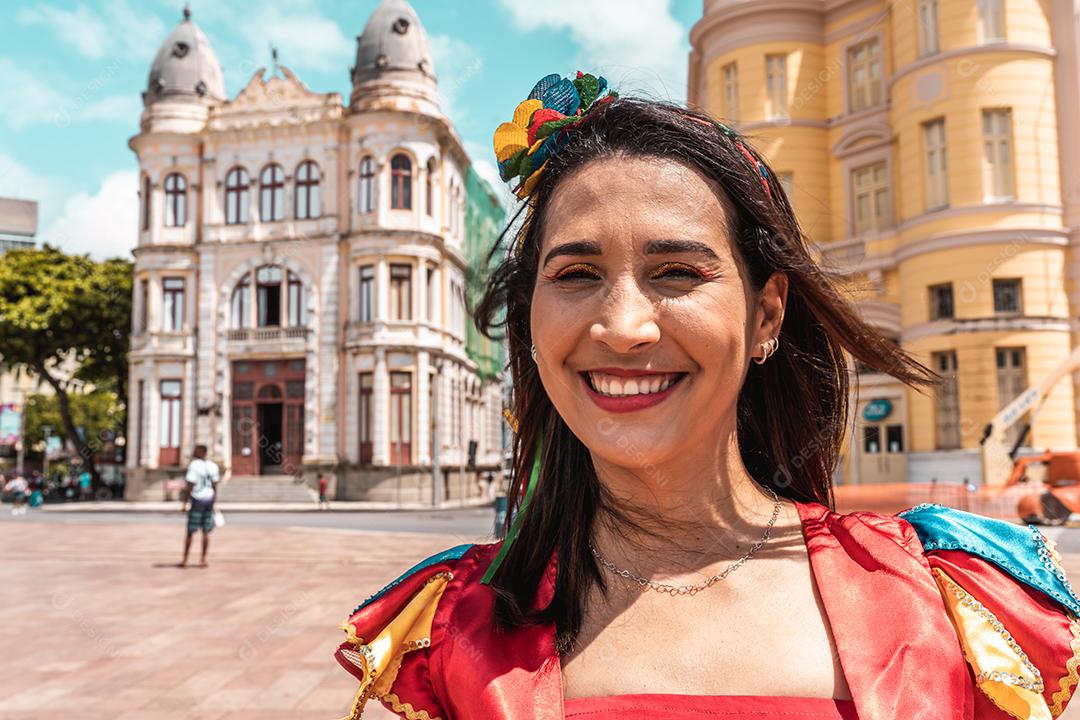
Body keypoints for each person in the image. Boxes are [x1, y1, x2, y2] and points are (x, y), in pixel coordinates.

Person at [332, 72, 1080, 719]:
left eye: (678, 273)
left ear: (766, 315)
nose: (622, 327)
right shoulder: (455, 630)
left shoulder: (932, 594)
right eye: (576, 275)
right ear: (531, 319)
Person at [180, 444, 219, 568]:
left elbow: (190, 485)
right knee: (206, 531)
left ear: (201, 452)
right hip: (209, 500)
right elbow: (215, 485)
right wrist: (214, 501)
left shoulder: (194, 465)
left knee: (190, 531)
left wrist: (185, 502)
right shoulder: (213, 466)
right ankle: (203, 559)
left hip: (197, 500)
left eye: (196, 451)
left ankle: (185, 559)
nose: (193, 452)